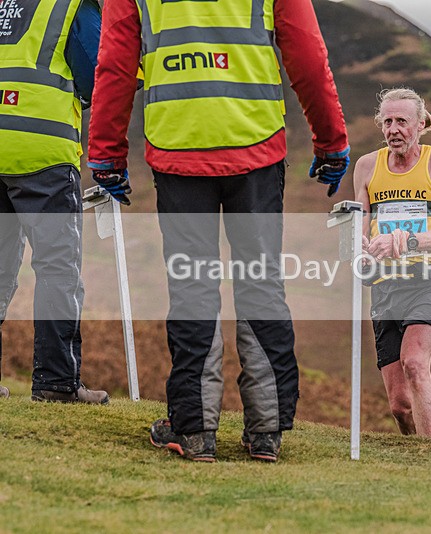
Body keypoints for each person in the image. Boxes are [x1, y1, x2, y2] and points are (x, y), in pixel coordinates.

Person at [88, 0, 349, 461]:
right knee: (261, 283)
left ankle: (194, 430)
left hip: (178, 147)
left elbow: (115, 62)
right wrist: (331, 141)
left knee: (192, 287)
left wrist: (106, 152)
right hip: (256, 148)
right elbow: (307, 54)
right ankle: (266, 430)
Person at [0, 0, 109, 404]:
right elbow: (97, 73)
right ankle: (56, 382)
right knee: (57, 268)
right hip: (41, 151)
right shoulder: (68, 6)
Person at [353, 87, 431, 437]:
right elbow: (359, 228)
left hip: (429, 282)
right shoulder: (366, 167)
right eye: (387, 121)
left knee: (416, 364)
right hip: (385, 288)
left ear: (420, 124)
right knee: (399, 406)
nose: (393, 129)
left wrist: (411, 241)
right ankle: (413, 450)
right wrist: (358, 247)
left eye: (401, 121)